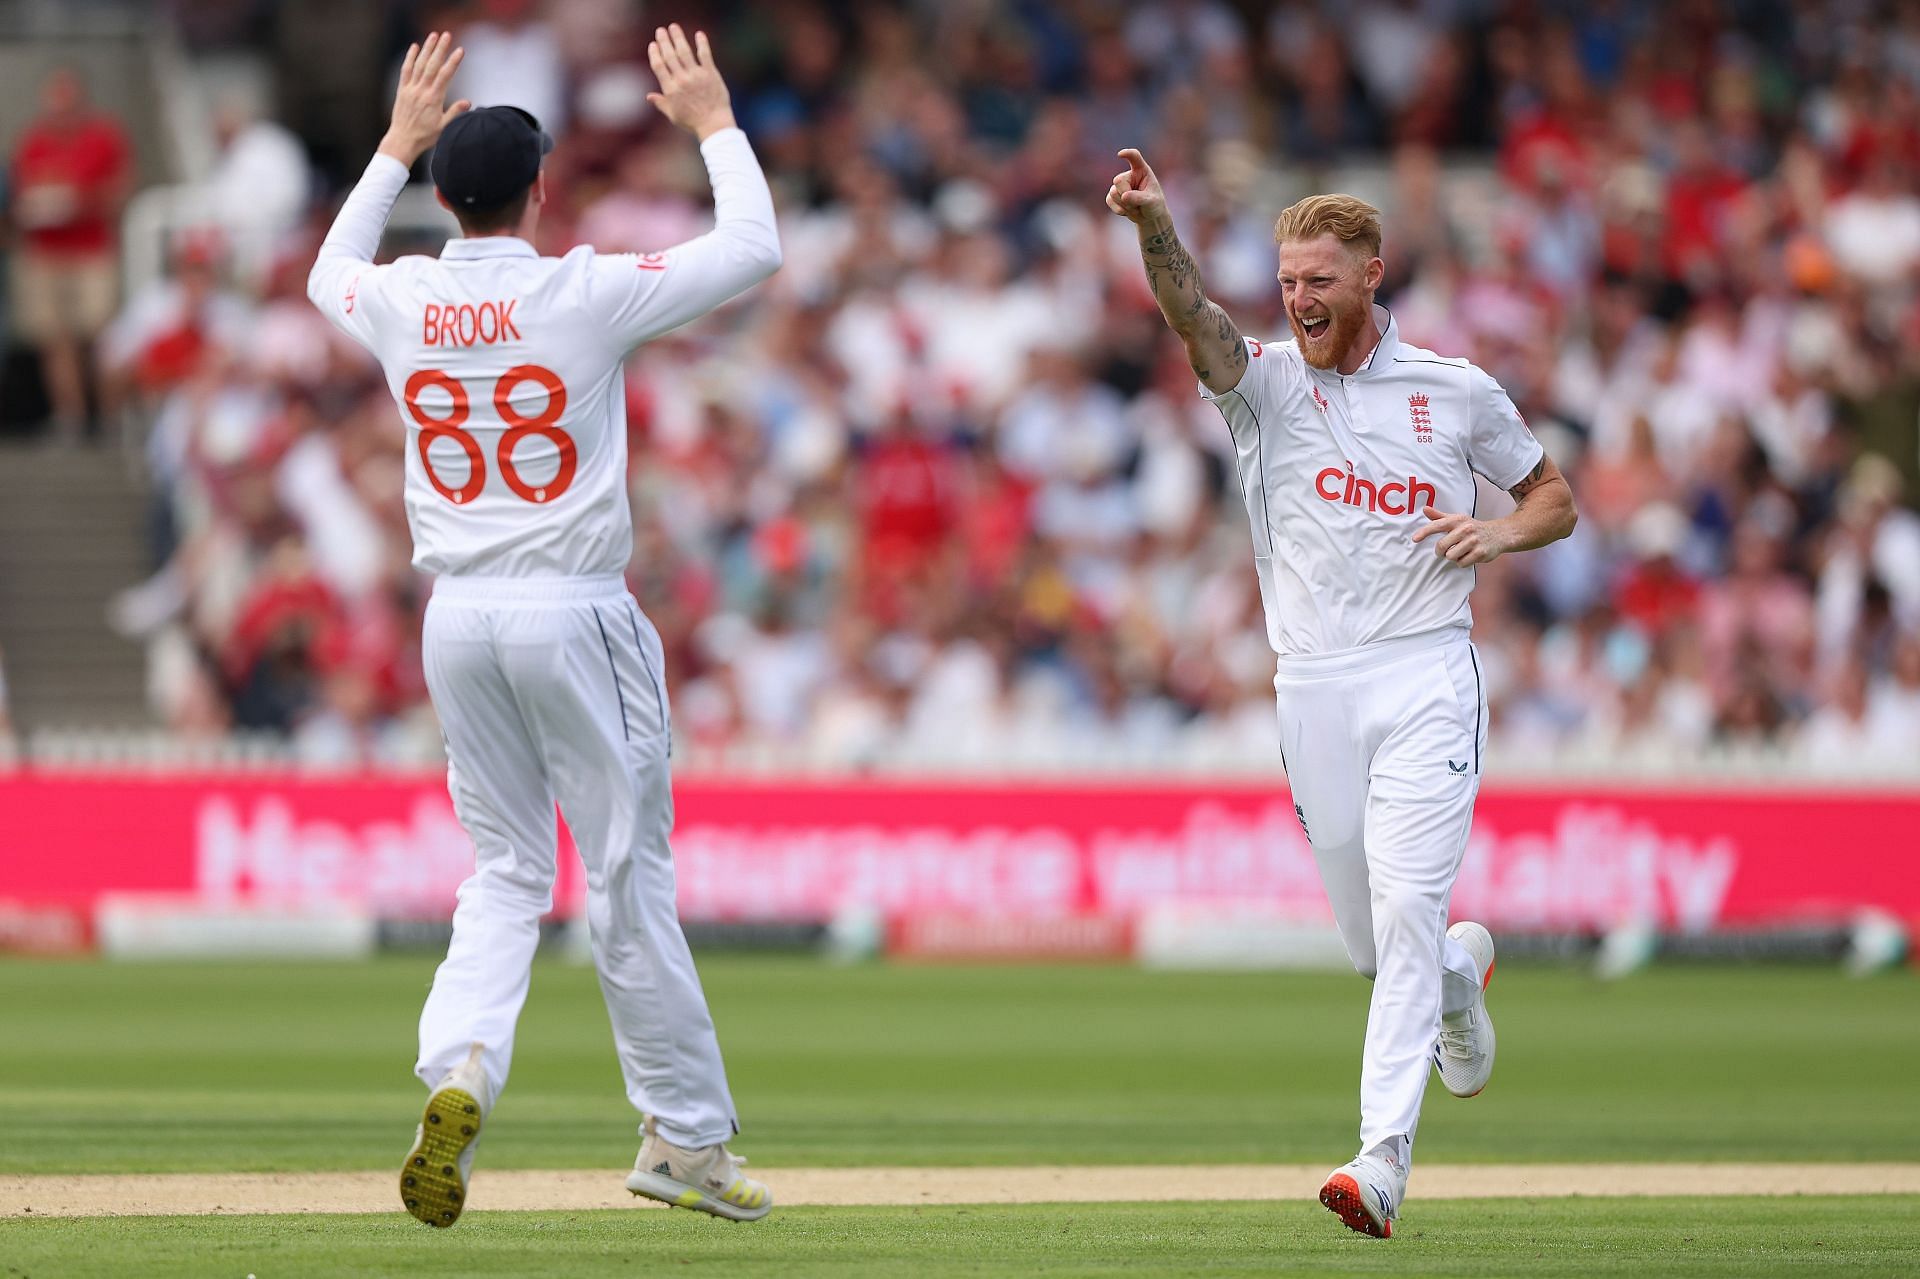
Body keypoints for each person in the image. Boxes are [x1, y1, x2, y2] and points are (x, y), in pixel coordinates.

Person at [306, 28, 781, 1229]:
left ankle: (461, 1065)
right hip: (572, 609)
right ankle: (683, 1136)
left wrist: (388, 148)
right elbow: (754, 246)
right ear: (541, 191)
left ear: (441, 195)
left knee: (507, 870)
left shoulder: (405, 298)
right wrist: (714, 120)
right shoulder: (582, 286)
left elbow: (328, 272)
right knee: (624, 878)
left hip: (455, 616)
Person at [1106, 148, 1576, 1238]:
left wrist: (1497, 532)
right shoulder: (1264, 383)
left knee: (1409, 906)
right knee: (1380, 950)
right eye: (1287, 281)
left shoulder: (1454, 392)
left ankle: (1379, 1163)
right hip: (1311, 685)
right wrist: (1153, 229)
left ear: (1373, 273)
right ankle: (1459, 979)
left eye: (1320, 278)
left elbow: (1554, 496)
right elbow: (1192, 320)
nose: (1299, 298)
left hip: (1425, 672)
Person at [7, 66, 132, 443]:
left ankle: (111, 414)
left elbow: (121, 189)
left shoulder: (103, 137)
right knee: (54, 339)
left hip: (91, 250)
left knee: (99, 333)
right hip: (45, 253)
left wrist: (82, 202)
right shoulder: (33, 141)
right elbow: (20, 193)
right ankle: (70, 416)